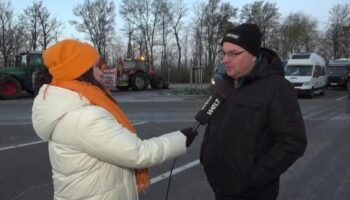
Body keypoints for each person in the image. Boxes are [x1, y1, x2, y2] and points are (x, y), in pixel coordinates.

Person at [31, 39, 198, 200]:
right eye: (95, 66)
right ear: (81, 71)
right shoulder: (84, 116)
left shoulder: (67, 106)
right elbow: (138, 154)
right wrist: (181, 139)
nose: (101, 71)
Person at [200, 23, 307, 200]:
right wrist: (205, 155)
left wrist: (253, 177)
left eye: (234, 53)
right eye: (224, 53)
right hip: (220, 187)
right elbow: (212, 125)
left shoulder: (278, 88)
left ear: (253, 55)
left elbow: (294, 142)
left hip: (253, 192)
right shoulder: (223, 84)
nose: (226, 59)